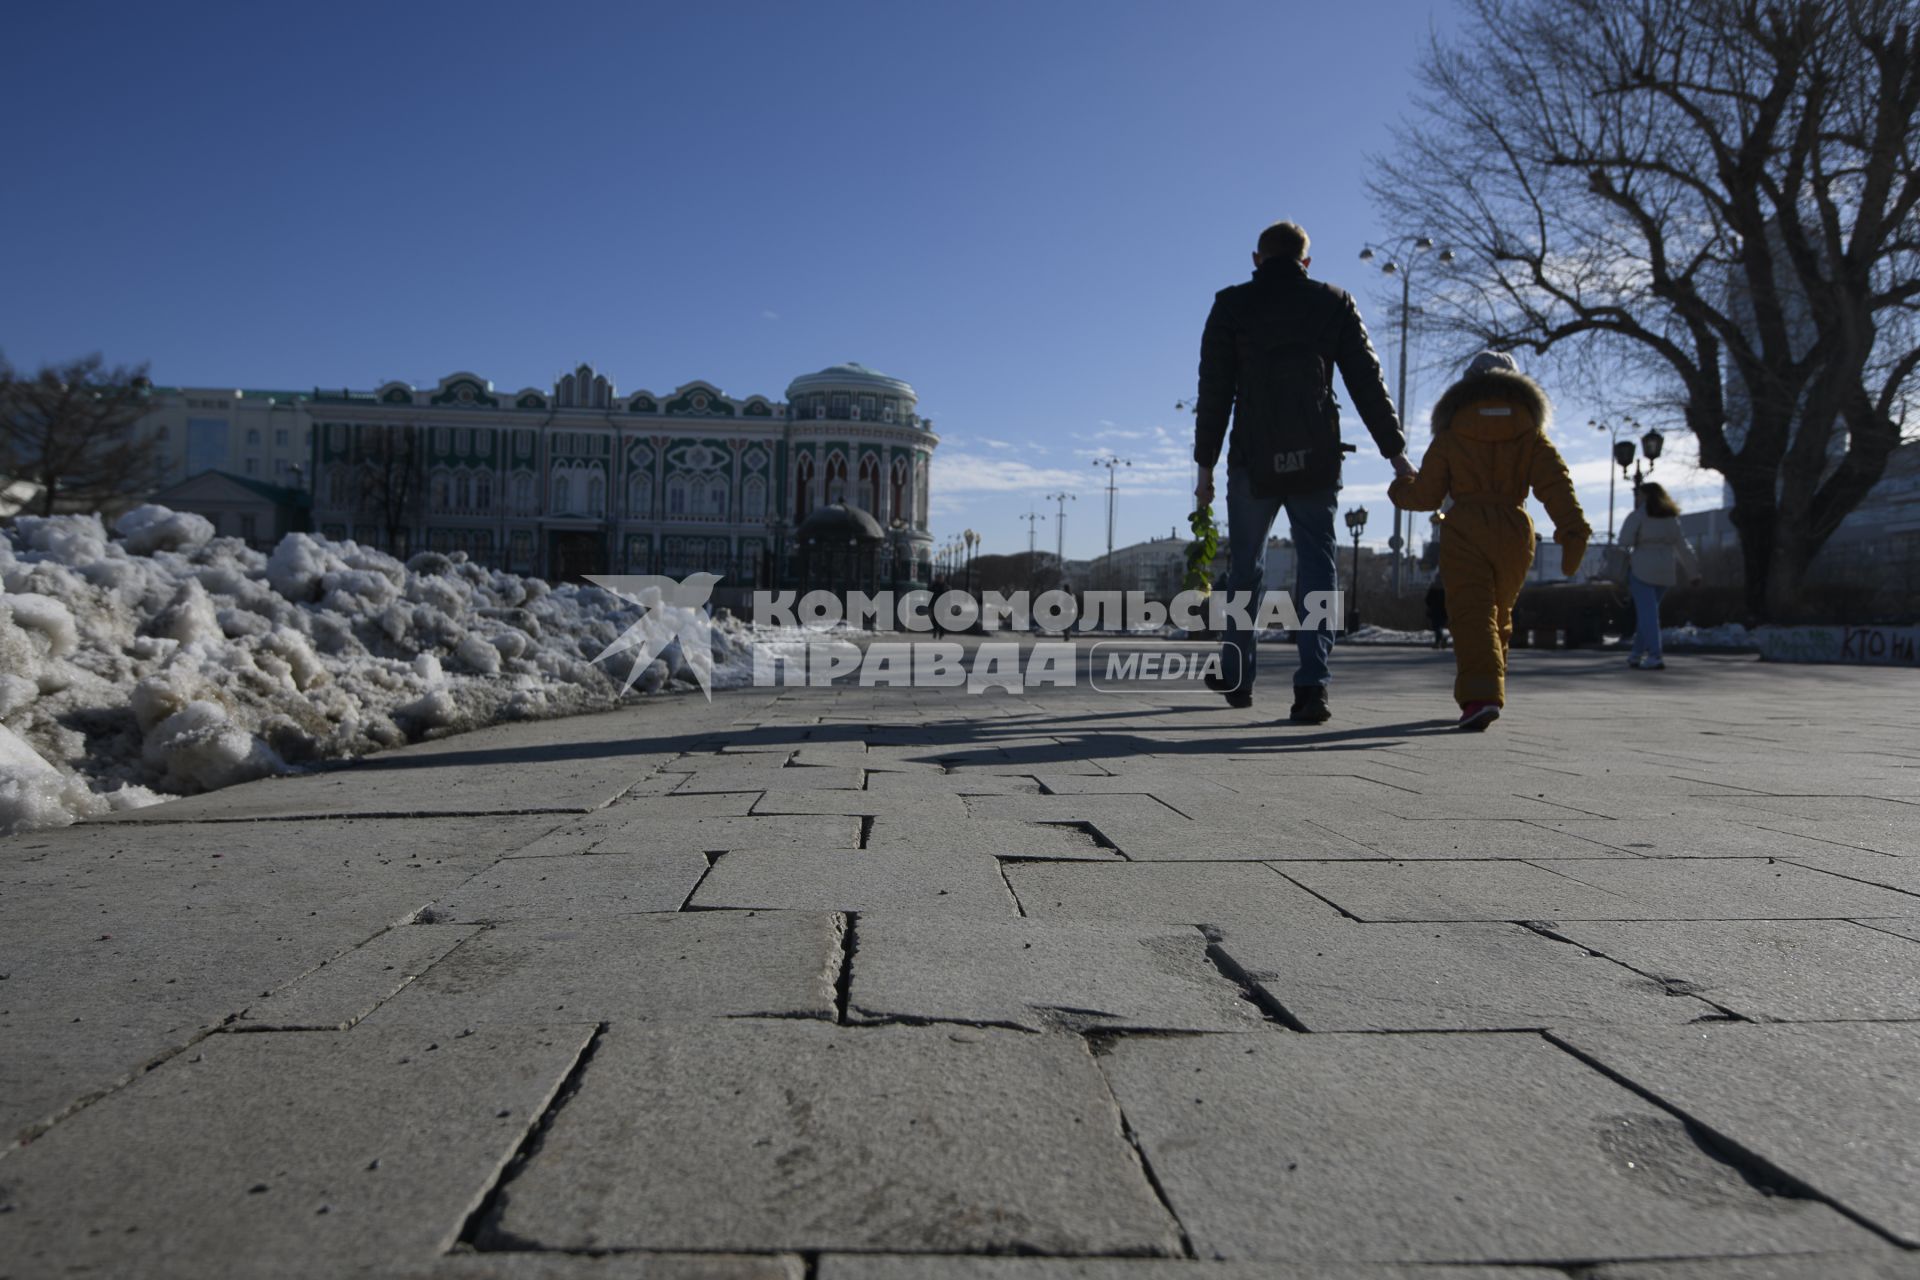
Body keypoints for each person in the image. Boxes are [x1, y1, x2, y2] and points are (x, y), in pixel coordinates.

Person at [1193, 219, 1415, 722]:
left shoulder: (1231, 305)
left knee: (1245, 567)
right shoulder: (1333, 301)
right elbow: (1366, 381)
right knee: (1318, 563)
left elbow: (1214, 392)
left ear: (1257, 260)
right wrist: (1395, 452)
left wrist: (1204, 468)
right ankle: (1312, 685)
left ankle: (1237, 674)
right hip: (1316, 458)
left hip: (1252, 459)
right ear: (1306, 262)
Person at [1389, 350, 1589, 730]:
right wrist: (1572, 530)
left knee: (1471, 613)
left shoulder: (1451, 434)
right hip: (1515, 530)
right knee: (1499, 613)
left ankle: (1481, 696)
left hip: (1465, 528)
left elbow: (1427, 495)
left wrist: (1400, 489)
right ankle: (1489, 688)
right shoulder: (1531, 434)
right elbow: (1557, 485)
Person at [1616, 482, 1700, 670]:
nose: (1636, 498)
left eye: (1639, 495)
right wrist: (1693, 573)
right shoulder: (1671, 518)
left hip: (1642, 569)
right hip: (1665, 571)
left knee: (1648, 615)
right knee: (1649, 614)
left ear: (1645, 497)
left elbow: (1624, 541)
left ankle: (1655, 655)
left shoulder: (1638, 516)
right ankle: (1636, 654)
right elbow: (1683, 548)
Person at [1425, 575, 1449, 649]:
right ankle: (1438, 642)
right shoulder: (1446, 588)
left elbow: (1427, 599)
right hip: (1444, 611)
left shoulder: (1433, 587)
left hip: (1435, 610)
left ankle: (1439, 641)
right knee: (1439, 627)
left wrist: (1431, 605)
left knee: (1436, 627)